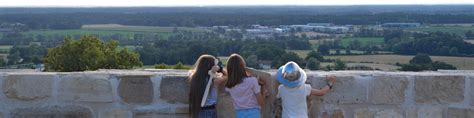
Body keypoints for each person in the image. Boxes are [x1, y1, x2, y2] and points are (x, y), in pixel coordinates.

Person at [225, 54, 265, 118]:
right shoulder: (252, 81)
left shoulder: (228, 86)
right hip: (253, 114)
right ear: (243, 67)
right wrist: (263, 88)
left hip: (239, 114)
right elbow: (261, 102)